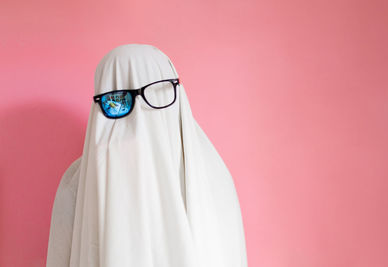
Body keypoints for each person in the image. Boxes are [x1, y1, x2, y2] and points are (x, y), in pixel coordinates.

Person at [46, 43, 248, 267]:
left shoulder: (213, 176)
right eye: (117, 100)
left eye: (155, 92)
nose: (139, 118)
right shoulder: (75, 185)